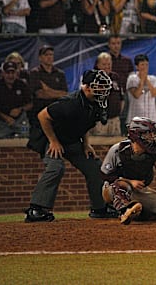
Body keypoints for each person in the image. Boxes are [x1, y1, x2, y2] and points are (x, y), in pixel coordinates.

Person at [24, 69, 117, 222]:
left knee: (96, 168)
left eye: (103, 86)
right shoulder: (71, 102)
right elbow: (43, 116)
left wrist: (87, 144)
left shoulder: (96, 103)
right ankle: (36, 209)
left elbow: (84, 124)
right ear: (86, 87)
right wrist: (53, 141)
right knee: (56, 167)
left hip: (72, 140)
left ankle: (100, 208)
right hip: (50, 138)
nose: (103, 90)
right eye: (99, 86)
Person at [0, 60, 32, 138]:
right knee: (0, 145)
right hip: (2, 122)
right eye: (8, 73)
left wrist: (20, 109)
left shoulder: (22, 85)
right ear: (3, 73)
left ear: (16, 73)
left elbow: (30, 104)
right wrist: (4, 117)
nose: (10, 75)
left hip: (21, 121)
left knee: (25, 141)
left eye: (12, 72)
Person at [28, 44, 67, 133]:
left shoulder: (60, 73)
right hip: (40, 112)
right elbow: (40, 94)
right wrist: (56, 94)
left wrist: (48, 90)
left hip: (57, 113)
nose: (49, 57)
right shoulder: (35, 73)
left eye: (51, 54)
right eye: (46, 55)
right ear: (40, 58)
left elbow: (64, 94)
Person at [90, 52, 123, 137]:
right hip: (98, 122)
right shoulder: (92, 78)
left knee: (116, 148)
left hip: (114, 120)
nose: (107, 67)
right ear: (98, 65)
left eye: (109, 64)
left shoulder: (116, 77)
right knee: (99, 148)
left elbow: (121, 98)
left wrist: (118, 113)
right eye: (104, 64)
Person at [126, 53, 156, 123]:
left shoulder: (153, 79)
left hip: (151, 119)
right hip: (136, 119)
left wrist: (146, 80)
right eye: (142, 65)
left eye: (146, 64)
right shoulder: (132, 79)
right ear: (137, 66)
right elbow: (136, 95)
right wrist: (142, 81)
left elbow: (155, 94)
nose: (145, 67)